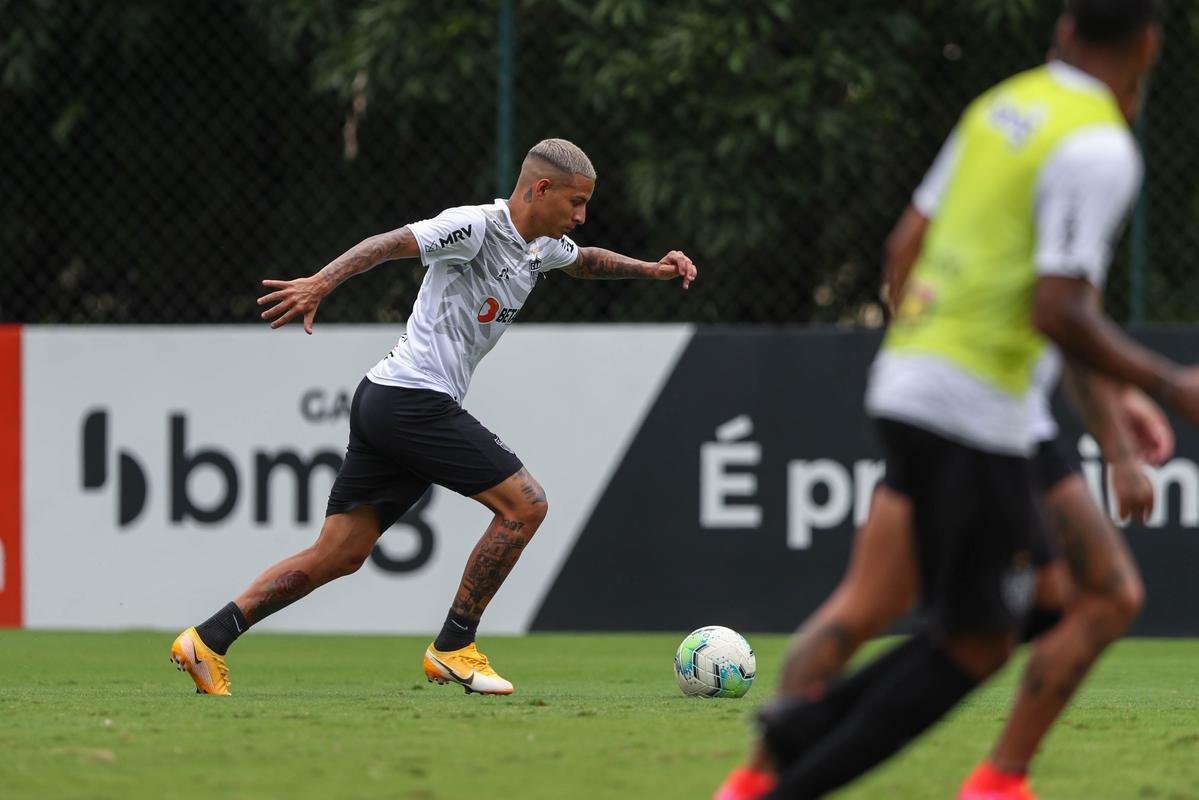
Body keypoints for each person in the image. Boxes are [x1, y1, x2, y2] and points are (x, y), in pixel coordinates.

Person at [717, 1, 1199, 796]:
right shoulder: (1097, 145)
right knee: (976, 639)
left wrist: (926, 356)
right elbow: (1060, 309)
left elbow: (904, 247)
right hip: (976, 409)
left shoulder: (999, 107)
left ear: (1064, 29)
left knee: (1054, 599)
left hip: (932, 387)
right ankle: (786, 771)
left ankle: (789, 769)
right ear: (1149, 45)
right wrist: (1168, 383)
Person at [168, 138, 697, 696]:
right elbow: (389, 243)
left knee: (340, 553)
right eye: (576, 202)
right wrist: (321, 283)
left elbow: (585, 261)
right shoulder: (474, 228)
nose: (581, 216)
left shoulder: (542, 246)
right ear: (541, 188)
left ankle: (207, 640)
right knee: (526, 505)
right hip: (410, 399)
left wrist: (652, 270)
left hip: (387, 399)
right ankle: (454, 645)